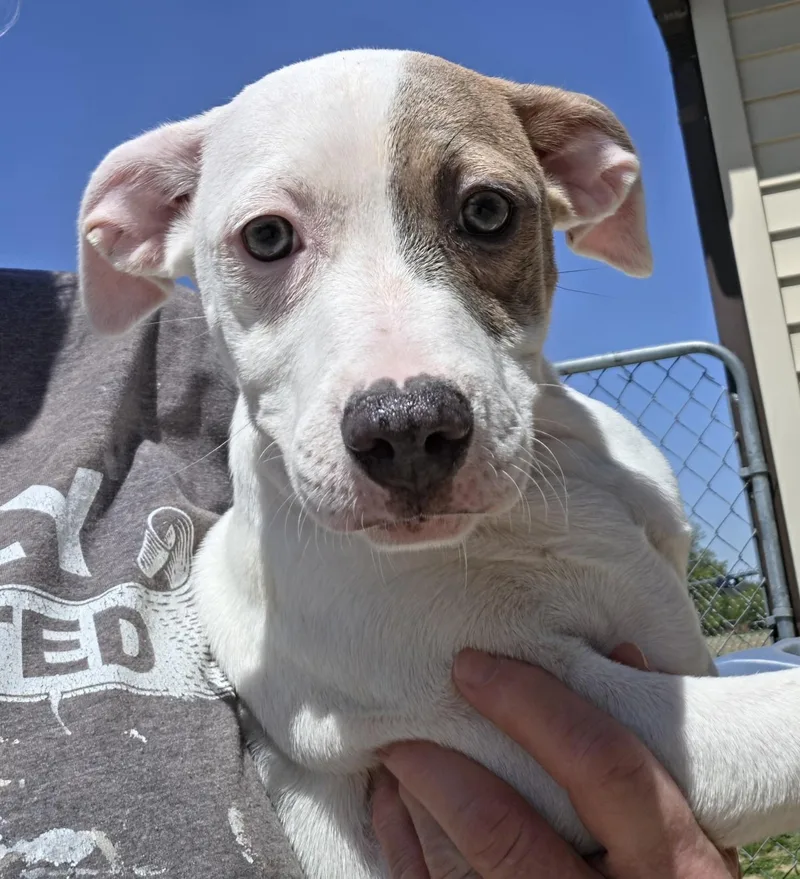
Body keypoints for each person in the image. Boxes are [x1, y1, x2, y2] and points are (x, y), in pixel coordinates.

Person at [0, 269, 740, 878]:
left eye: (484, 213)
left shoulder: (186, 348)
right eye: (268, 238)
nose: (404, 415)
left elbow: (608, 755)